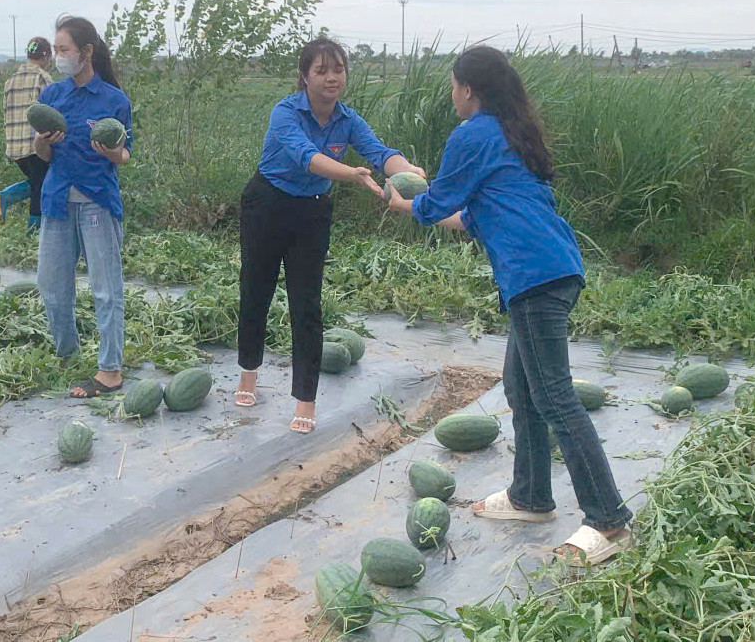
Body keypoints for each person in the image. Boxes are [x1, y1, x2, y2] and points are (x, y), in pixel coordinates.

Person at [385, 45, 632, 565]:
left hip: (534, 277)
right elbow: (471, 215)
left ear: (468, 89)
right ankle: (531, 496)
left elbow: (437, 204)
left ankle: (609, 522)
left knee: (555, 398)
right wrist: (425, 204)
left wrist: (406, 201)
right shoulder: (511, 134)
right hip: (552, 268)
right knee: (522, 387)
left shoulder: (474, 133)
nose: (452, 93)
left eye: (454, 85)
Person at [237, 38, 424, 434]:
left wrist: (406, 169)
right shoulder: (285, 112)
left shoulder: (348, 120)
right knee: (256, 291)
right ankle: (248, 373)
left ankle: (305, 399)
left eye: (337, 69)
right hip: (266, 205)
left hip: (312, 210)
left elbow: (379, 152)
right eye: (321, 70)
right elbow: (307, 156)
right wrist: (352, 175)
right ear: (305, 76)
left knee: (307, 305)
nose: (331, 78)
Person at [32, 15, 132, 399]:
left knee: (106, 290)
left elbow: (124, 153)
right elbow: (42, 154)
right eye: (56, 50)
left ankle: (110, 371)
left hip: (96, 202)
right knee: (52, 288)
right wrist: (44, 141)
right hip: (57, 200)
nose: (58, 57)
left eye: (63, 50)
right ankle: (68, 356)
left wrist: (112, 151)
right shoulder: (52, 97)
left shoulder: (113, 100)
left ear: (86, 52)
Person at [0, 36, 54, 231]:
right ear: (46, 56)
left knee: (38, 181)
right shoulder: (43, 78)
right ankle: (33, 231)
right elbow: (50, 113)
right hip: (36, 145)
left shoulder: (10, 81)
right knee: (42, 187)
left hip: (14, 146)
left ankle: (7, 196)